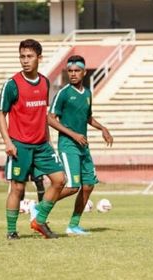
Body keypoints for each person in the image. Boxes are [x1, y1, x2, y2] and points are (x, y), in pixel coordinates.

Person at [0, 39, 66, 239]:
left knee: (60, 180)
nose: (25, 61)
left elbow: (42, 114)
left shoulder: (44, 82)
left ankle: (39, 219)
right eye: (22, 56)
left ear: (39, 58)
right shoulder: (12, 84)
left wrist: (49, 140)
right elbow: (2, 114)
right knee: (18, 188)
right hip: (19, 145)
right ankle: (11, 231)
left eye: (29, 56)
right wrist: (8, 142)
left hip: (42, 145)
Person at [45, 55, 113, 235]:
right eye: (70, 71)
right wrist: (73, 134)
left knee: (89, 185)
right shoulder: (64, 93)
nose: (73, 74)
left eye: (77, 71)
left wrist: (102, 128)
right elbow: (50, 119)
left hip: (83, 145)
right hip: (68, 145)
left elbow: (87, 117)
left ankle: (73, 225)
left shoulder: (88, 93)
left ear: (84, 72)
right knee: (73, 186)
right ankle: (40, 209)